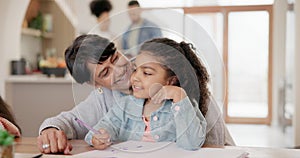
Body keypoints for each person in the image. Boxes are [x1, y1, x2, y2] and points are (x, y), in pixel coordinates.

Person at [37, 34, 234, 154]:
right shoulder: (107, 99)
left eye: (116, 58)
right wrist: (50, 130)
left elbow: (214, 145)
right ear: (94, 84)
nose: (119, 69)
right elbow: (72, 122)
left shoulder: (184, 90)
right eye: (105, 72)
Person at [86, 38, 207, 150]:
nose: (135, 78)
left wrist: (179, 95)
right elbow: (102, 127)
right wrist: (97, 137)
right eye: (135, 69)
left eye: (147, 73)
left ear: (170, 81)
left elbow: (191, 144)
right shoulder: (124, 106)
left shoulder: (183, 106)